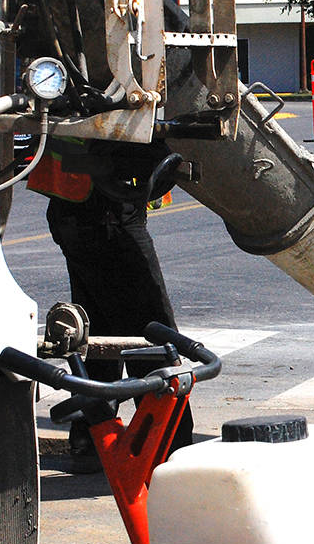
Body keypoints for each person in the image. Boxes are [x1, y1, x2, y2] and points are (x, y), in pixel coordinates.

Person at [29, 139, 193, 473]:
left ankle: (92, 434)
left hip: (76, 211)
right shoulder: (98, 97)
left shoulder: (73, 101)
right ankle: (169, 448)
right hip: (105, 213)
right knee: (152, 335)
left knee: (100, 327)